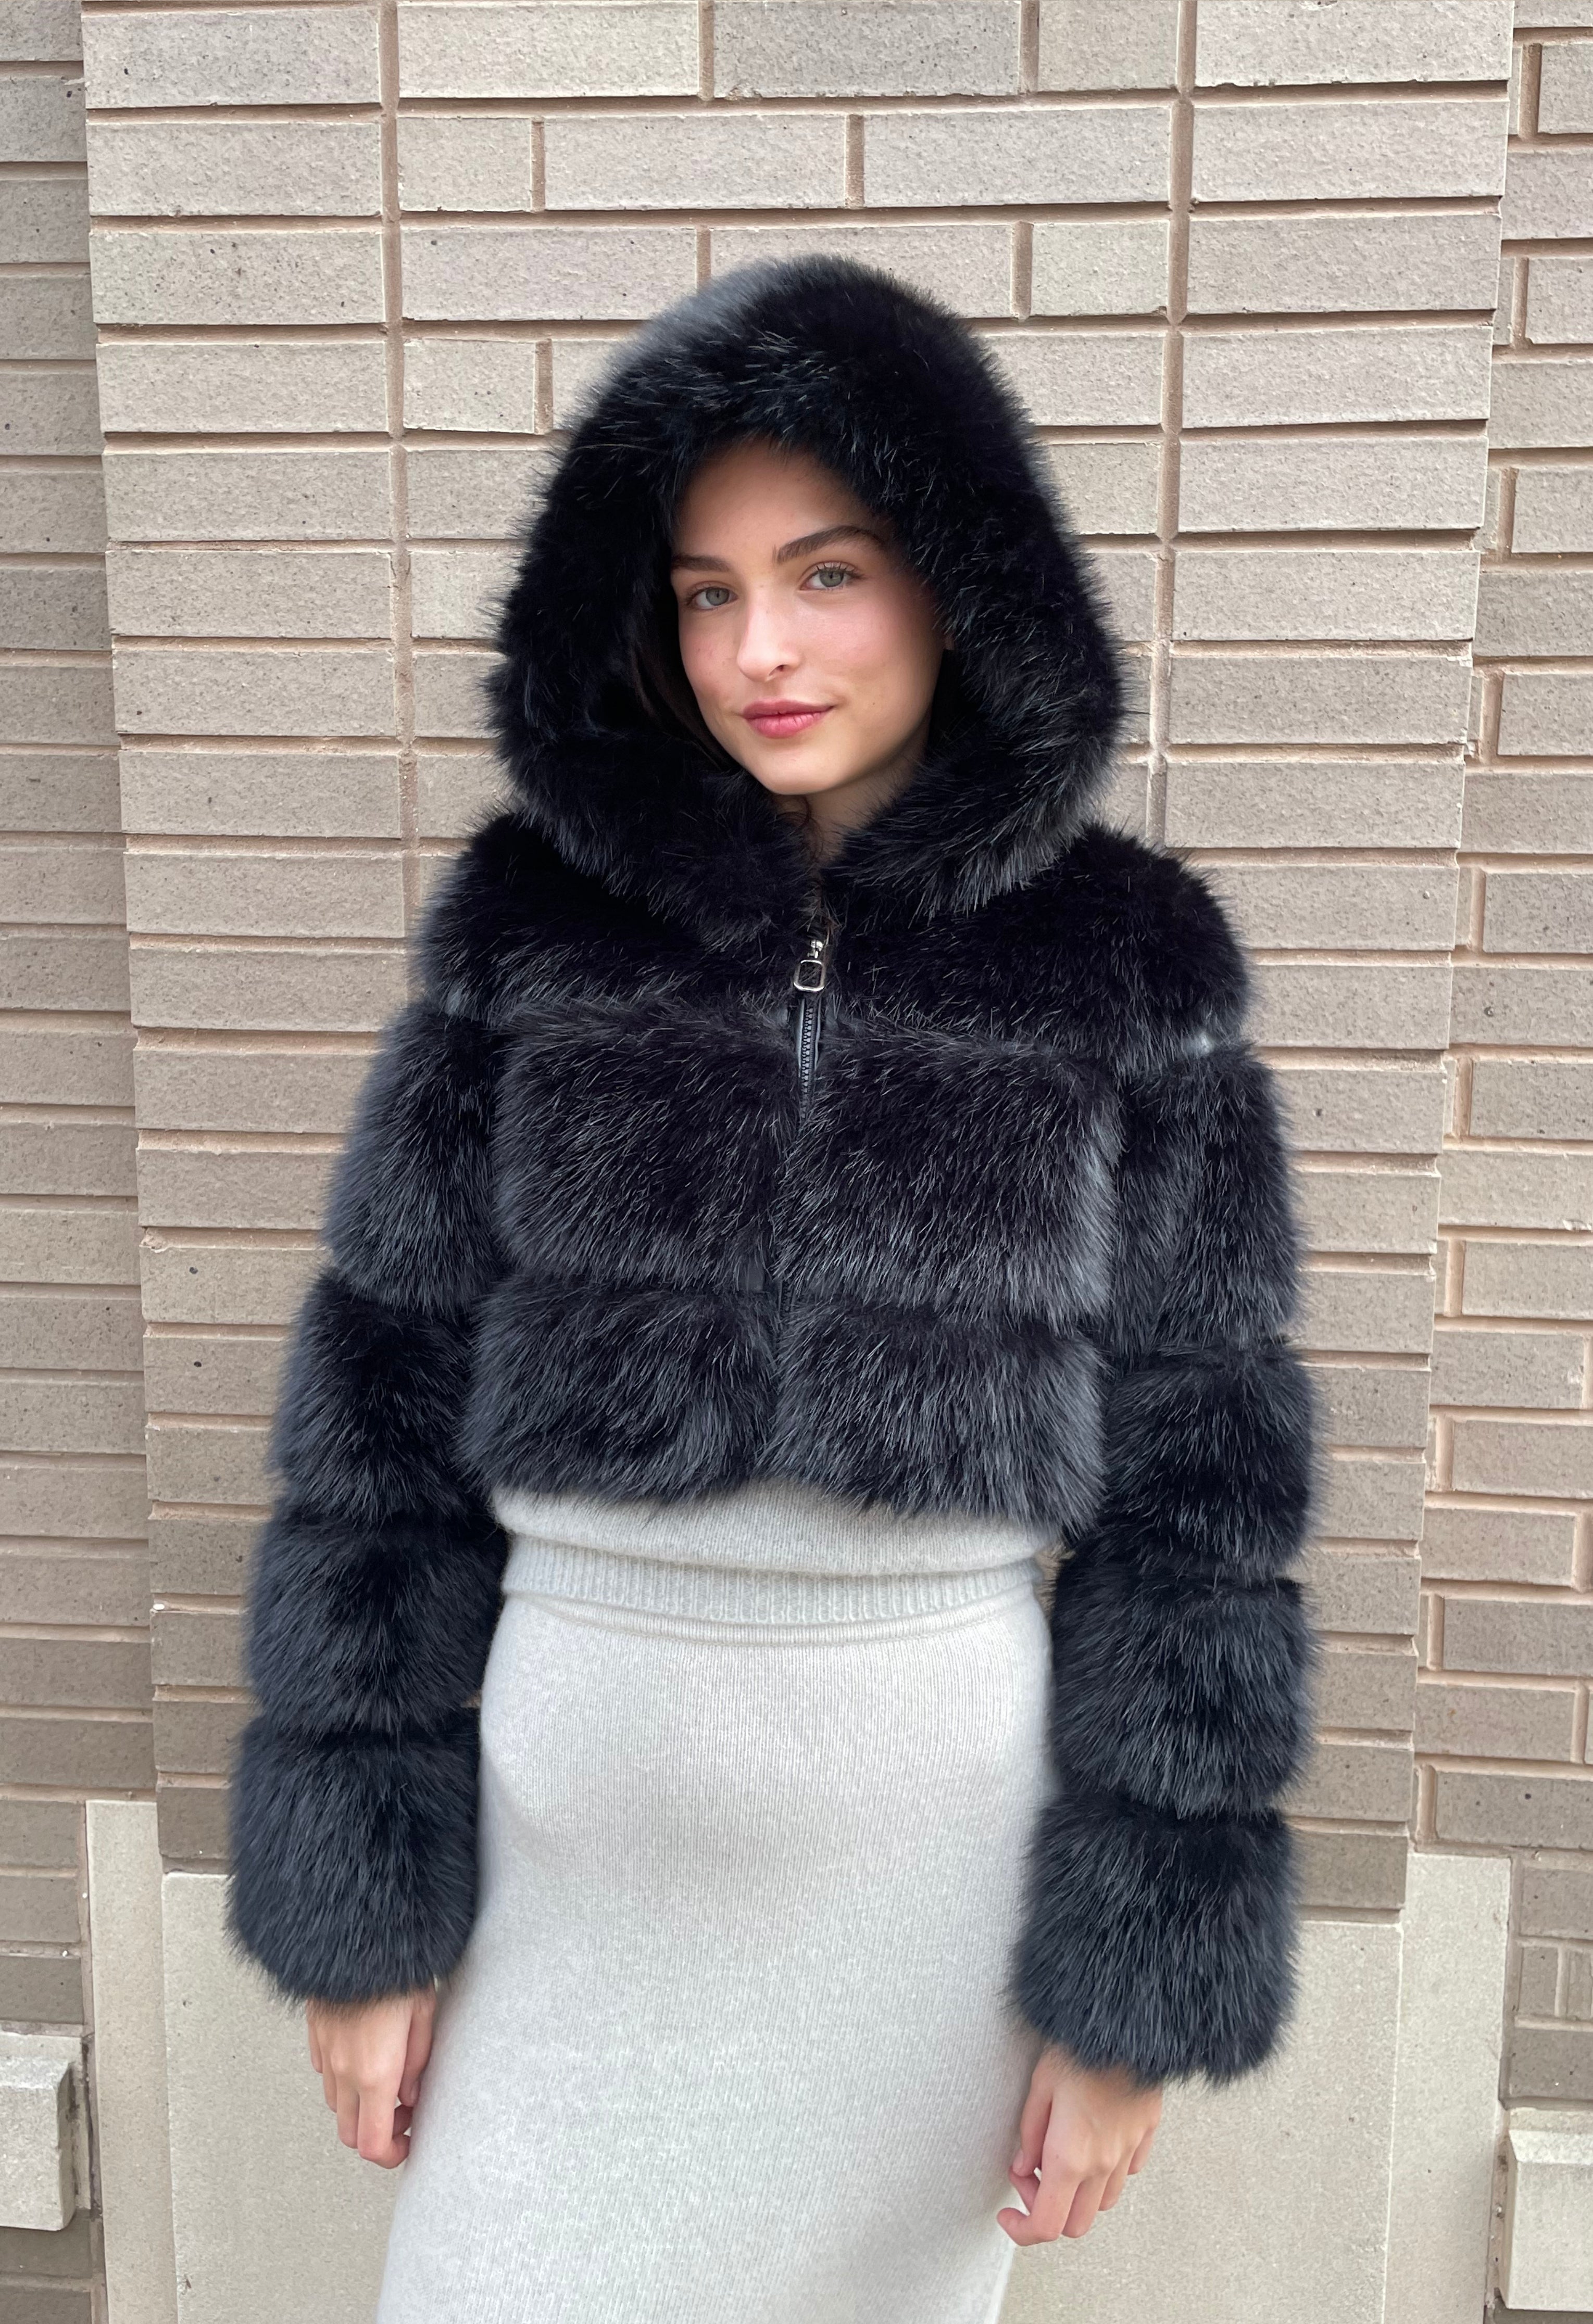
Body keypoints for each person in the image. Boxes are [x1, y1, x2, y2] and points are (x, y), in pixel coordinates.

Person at [226, 256, 1320, 2321]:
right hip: (568, 1841)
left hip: (927, 1863)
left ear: (957, 586)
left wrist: (1132, 1988)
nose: (759, 651)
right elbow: (375, 1440)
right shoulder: (531, 932)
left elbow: (1199, 1504)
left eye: (827, 574)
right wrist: (363, 1911)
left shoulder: (1125, 964)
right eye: (705, 592)